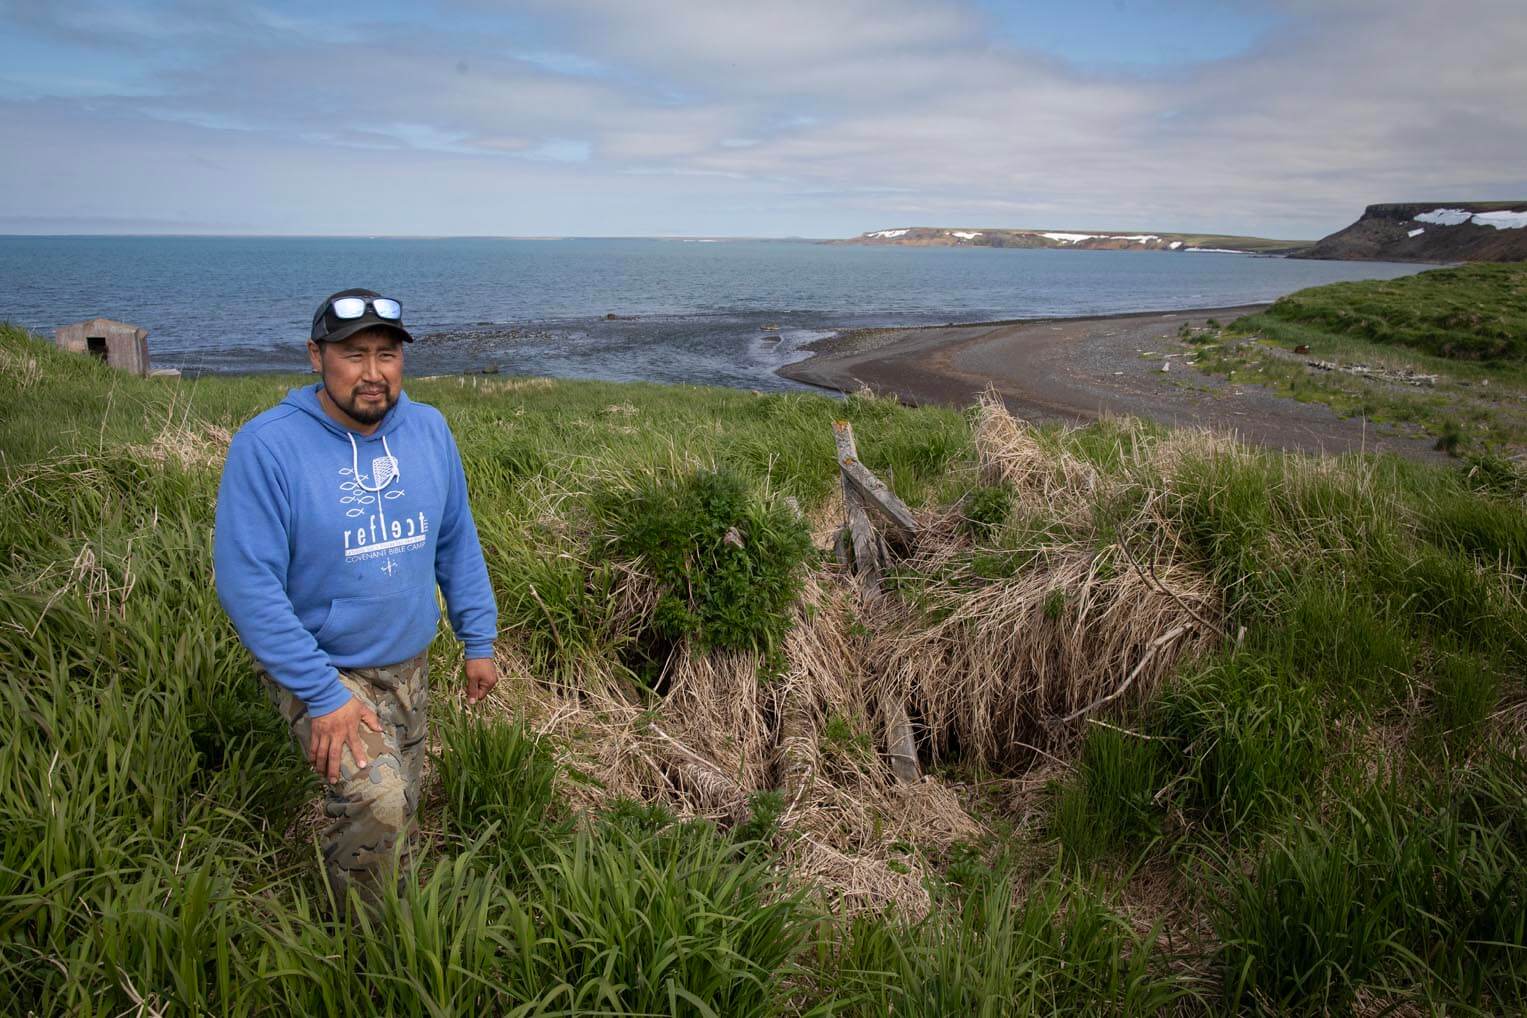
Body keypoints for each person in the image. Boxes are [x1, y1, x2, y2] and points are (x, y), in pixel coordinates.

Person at [213, 288, 498, 909]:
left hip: (409, 659)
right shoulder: (268, 447)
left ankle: (394, 903)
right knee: (379, 800)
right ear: (316, 357)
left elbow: (456, 541)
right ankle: (365, 949)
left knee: (403, 804)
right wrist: (321, 694)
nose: (373, 374)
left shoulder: (429, 430)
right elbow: (247, 584)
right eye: (353, 355)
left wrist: (479, 639)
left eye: (387, 354)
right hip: (322, 665)